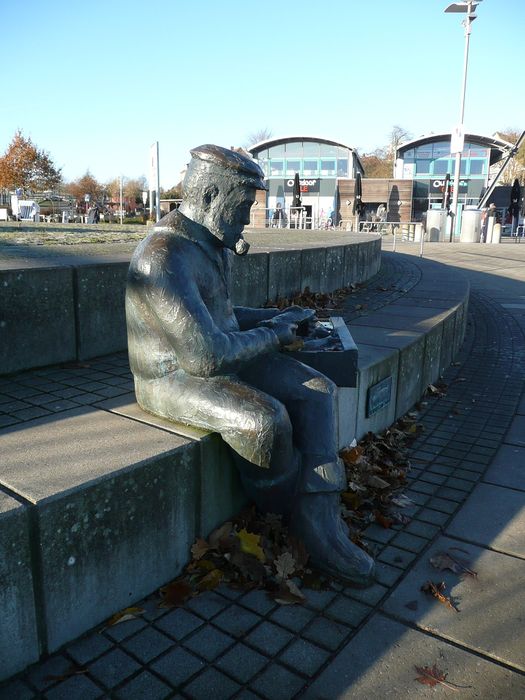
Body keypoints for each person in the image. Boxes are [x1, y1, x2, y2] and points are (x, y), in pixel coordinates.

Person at [126, 144, 374, 586]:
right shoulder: (162, 257)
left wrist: (279, 320)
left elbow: (224, 318)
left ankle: (321, 517)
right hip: (172, 376)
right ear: (207, 199)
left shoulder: (211, 243)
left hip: (214, 355)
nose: (247, 217)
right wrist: (276, 336)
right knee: (265, 421)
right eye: (243, 206)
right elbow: (204, 358)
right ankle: (291, 514)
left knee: (318, 390)